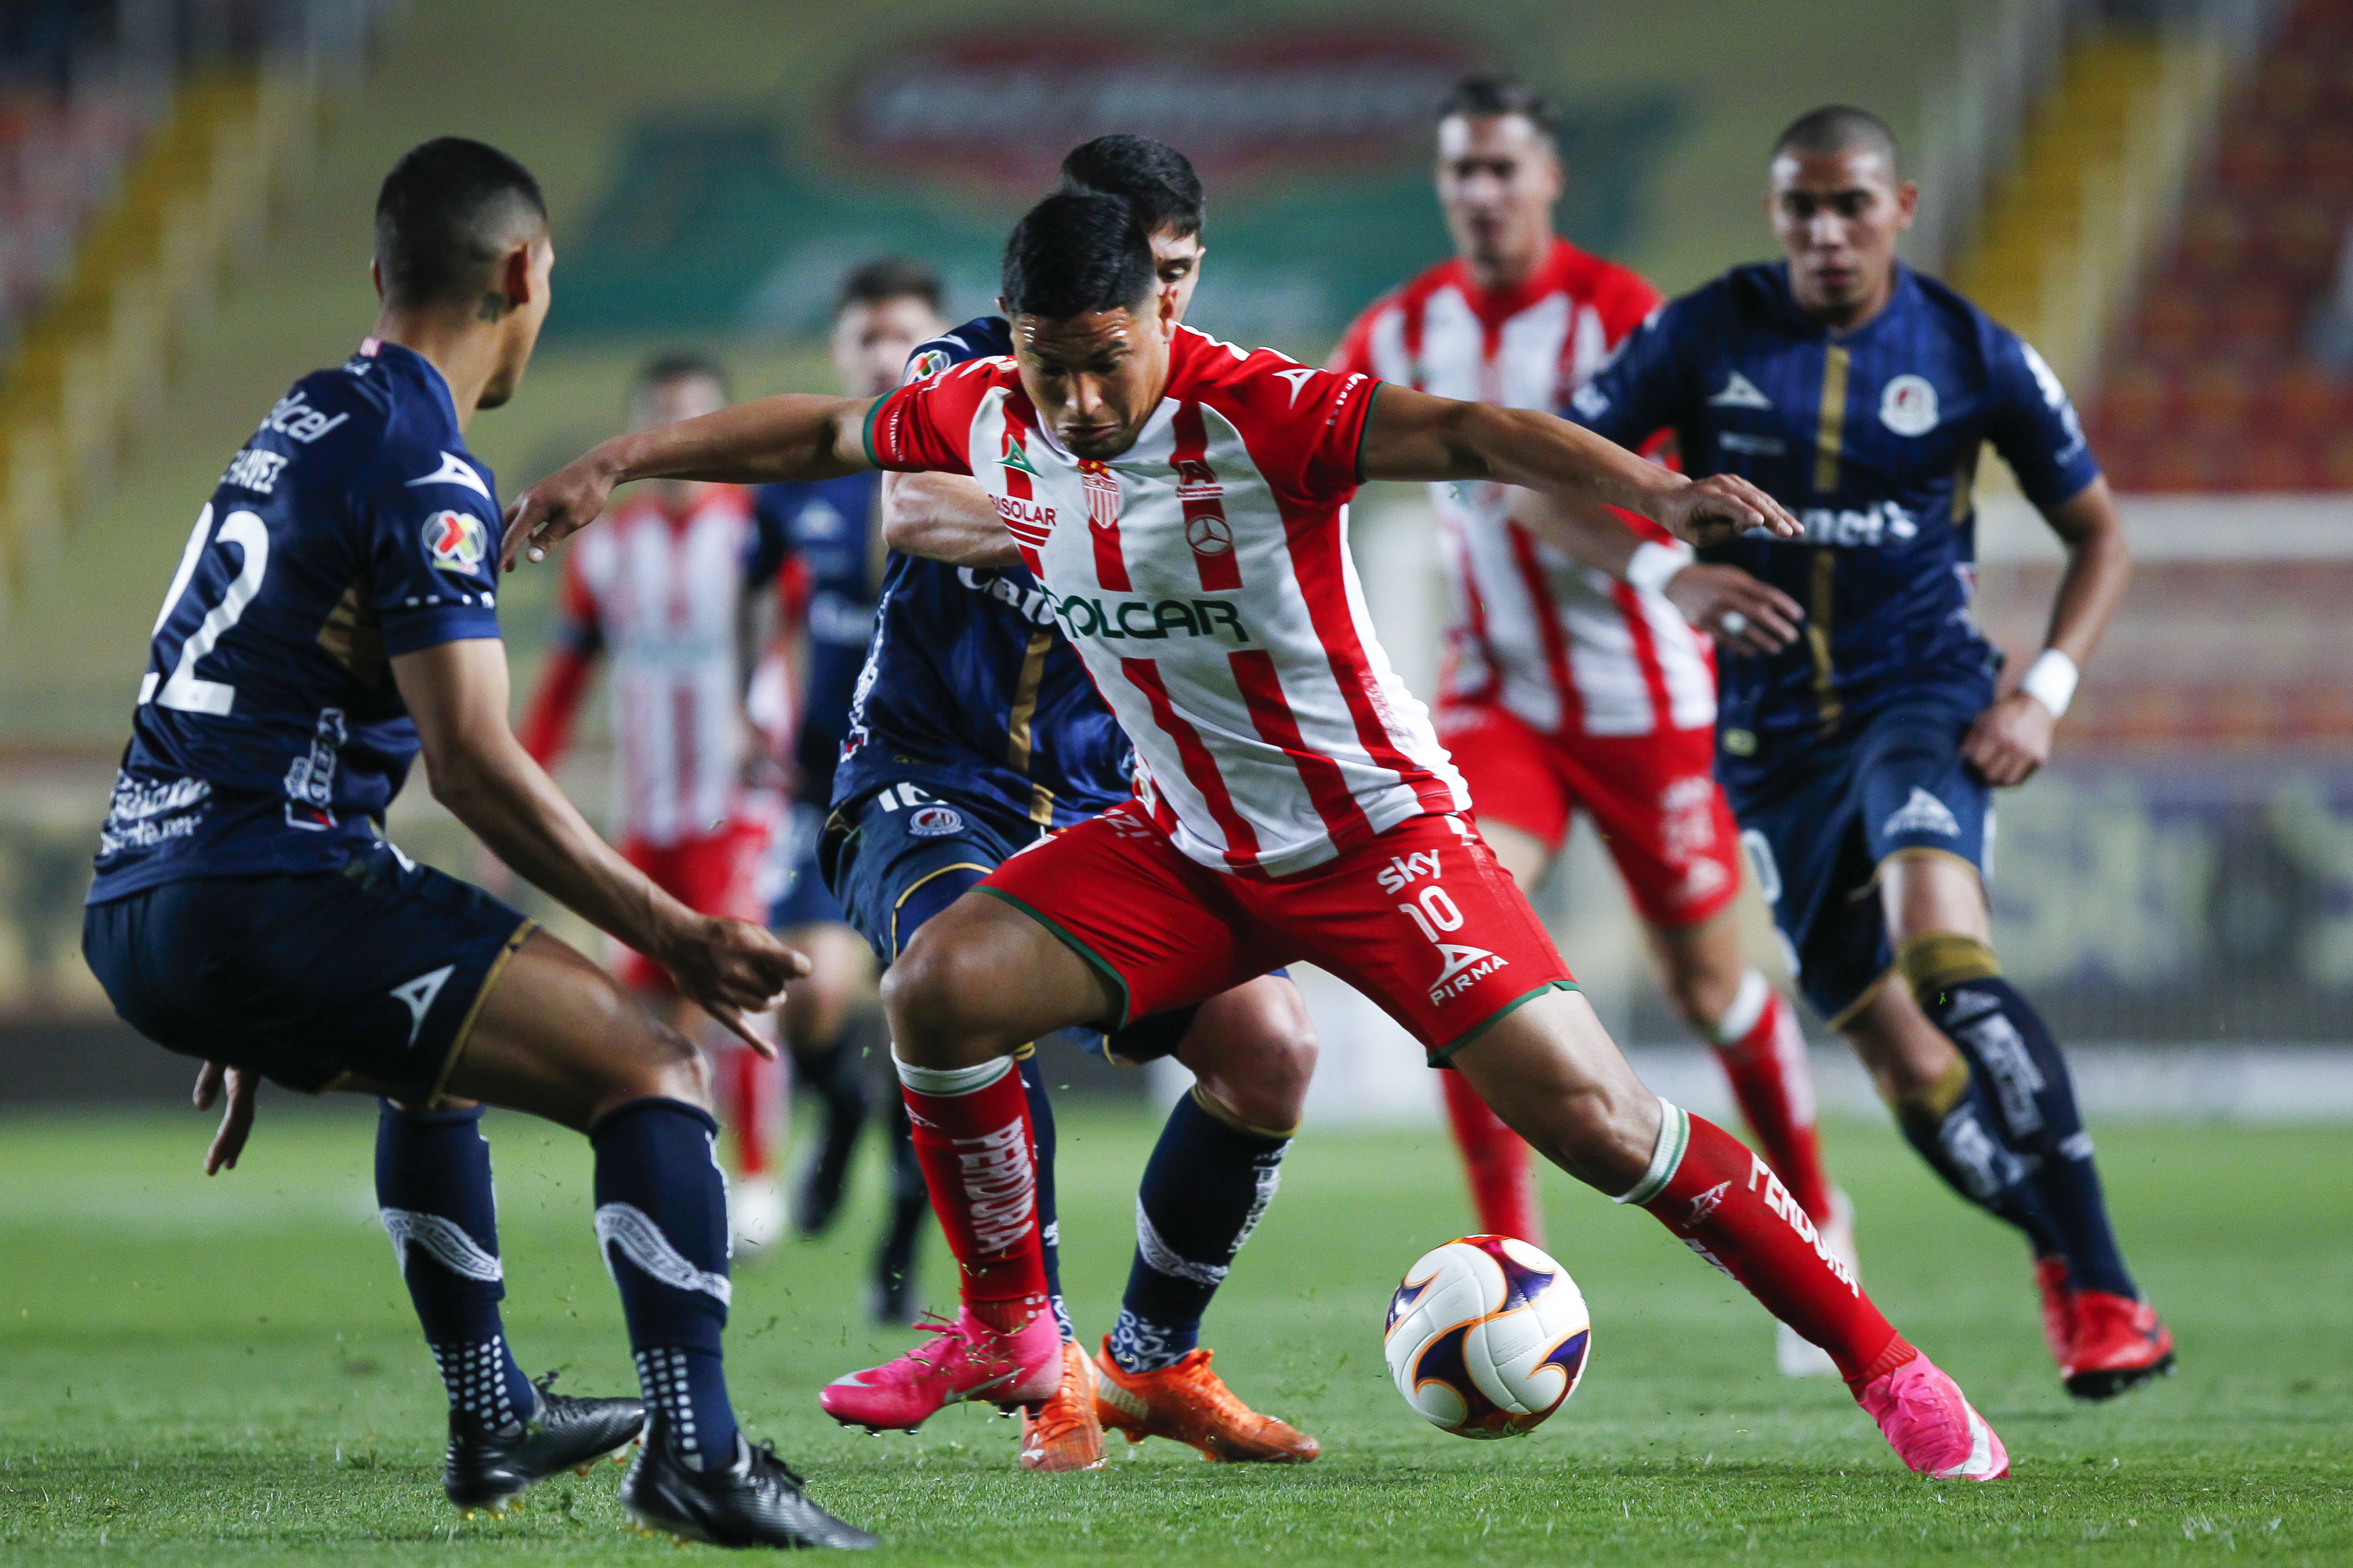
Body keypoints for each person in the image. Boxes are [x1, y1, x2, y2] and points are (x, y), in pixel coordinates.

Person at [509, 190, 2015, 1483]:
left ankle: (1889, 1370)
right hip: (1182, 846)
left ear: (1157, 317)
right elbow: (831, 431)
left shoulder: (1264, 412)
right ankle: (1004, 1325)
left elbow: (1472, 431)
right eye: (1048, 371)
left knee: (1602, 1126)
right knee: (938, 990)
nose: (1079, 405)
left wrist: (1651, 492)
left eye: (1105, 365)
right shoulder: (984, 406)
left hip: (1373, 840)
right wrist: (623, 461)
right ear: (1007, 341)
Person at [79, 138, 872, 1548]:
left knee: (431, 1073)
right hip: (259, 885)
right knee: (654, 1064)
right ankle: (698, 1455)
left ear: (381, 276)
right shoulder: (426, 467)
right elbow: (477, 765)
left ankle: (491, 1410)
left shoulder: (302, 417)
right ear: (522, 272)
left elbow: (225, 672)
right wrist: (670, 933)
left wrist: (224, 946)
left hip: (145, 889)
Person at [1563, 104, 2172, 1400]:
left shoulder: (1966, 349)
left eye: (1849, 205)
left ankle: (2108, 1285)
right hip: (1771, 741)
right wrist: (1667, 569)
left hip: (1922, 698)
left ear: (1897, 206)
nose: (1825, 232)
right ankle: (2059, 1253)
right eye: (1800, 207)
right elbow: (1543, 484)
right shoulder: (1703, 330)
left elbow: (2099, 536)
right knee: (1897, 1055)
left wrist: (2041, 694)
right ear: (1775, 214)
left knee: (1943, 958)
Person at [1329, 75, 1852, 1380]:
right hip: (1495, 700)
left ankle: (1812, 1214)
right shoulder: (1395, 328)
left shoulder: (1620, 316)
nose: (1480, 193)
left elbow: (1663, 491)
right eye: (1460, 171)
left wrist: (1665, 569)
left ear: (1547, 179)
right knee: (1463, 949)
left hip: (1644, 709)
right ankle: (1510, 1257)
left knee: (1708, 986)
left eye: (1502, 168)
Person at [830, 135, 1321, 1472]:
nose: (1151, 313)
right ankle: (1034, 1353)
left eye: (1174, 278)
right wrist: (1080, 512)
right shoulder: (972, 366)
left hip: (1114, 796)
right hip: (934, 777)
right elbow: (914, 505)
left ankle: (1155, 1363)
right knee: (966, 983)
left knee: (1269, 1050)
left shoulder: (1218, 404)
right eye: (1130, 279)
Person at [518, 352, 792, 1253]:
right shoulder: (604, 550)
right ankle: (676, 1167)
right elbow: (564, 682)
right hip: (645, 808)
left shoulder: (763, 532)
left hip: (735, 805)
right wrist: (522, 789)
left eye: (696, 425)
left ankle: (759, 1178)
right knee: (634, 1008)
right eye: (660, 426)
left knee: (734, 979)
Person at [744, 261, 942, 1247]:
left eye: (901, 332)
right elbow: (753, 593)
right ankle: (849, 1111)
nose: (881, 352)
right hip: (822, 782)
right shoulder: (803, 478)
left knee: (933, 1004)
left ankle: (908, 1217)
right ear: (838, 347)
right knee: (812, 998)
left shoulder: (967, 466)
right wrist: (754, 698)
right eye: (863, 335)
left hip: (937, 780)